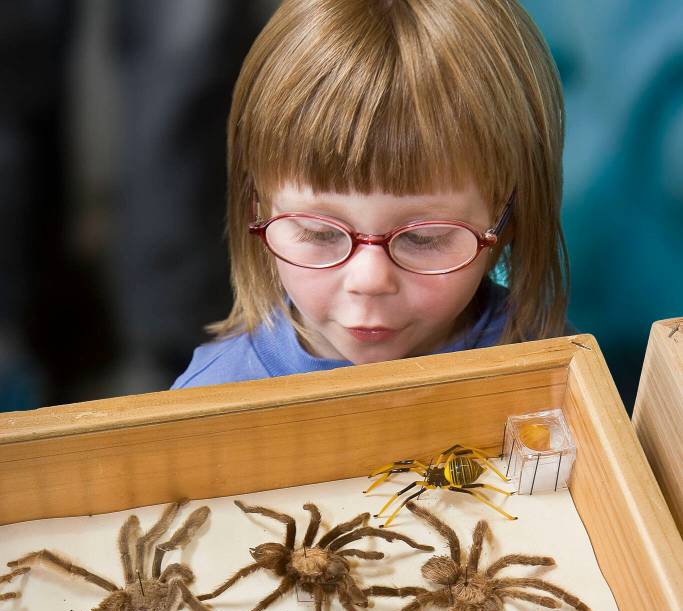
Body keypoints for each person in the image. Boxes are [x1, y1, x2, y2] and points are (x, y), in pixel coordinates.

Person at [172, 0, 569, 390]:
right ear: (257, 207)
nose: (369, 280)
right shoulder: (212, 399)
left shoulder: (558, 370)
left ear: (509, 218)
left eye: (423, 238)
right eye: (318, 232)